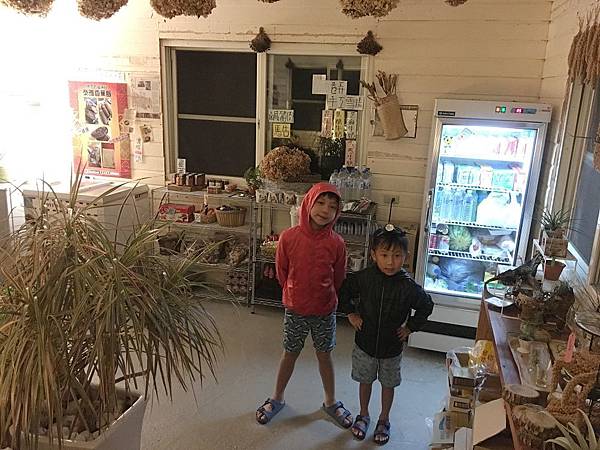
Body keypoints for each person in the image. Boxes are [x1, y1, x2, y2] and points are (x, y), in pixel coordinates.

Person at [255, 182, 353, 429]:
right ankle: (277, 397)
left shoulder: (337, 243)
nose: (325, 210)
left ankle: (330, 401)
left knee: (325, 355)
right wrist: (294, 292)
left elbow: (339, 277)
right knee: (290, 353)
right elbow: (282, 272)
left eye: (332, 206)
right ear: (308, 203)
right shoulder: (289, 237)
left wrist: (324, 295)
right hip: (295, 308)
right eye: (320, 202)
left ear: (337, 212)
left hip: (324, 310)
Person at [338, 224, 434, 445]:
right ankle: (363, 414)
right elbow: (344, 291)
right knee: (365, 381)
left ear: (405, 257)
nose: (390, 262)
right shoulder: (363, 278)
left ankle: (384, 418)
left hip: (392, 347)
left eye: (397, 256)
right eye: (384, 255)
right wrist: (351, 314)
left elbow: (426, 305)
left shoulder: (407, 286)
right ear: (373, 255)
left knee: (388, 384)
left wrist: (410, 327)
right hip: (365, 343)